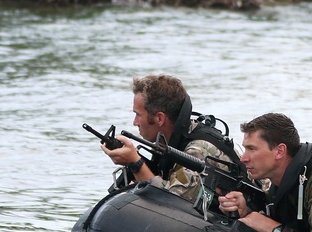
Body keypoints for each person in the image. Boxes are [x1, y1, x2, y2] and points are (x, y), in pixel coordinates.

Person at [99, 74, 242, 203]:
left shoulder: (198, 150)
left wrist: (136, 164)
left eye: (138, 115)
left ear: (159, 118)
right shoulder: (171, 142)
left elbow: (172, 202)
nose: (135, 122)